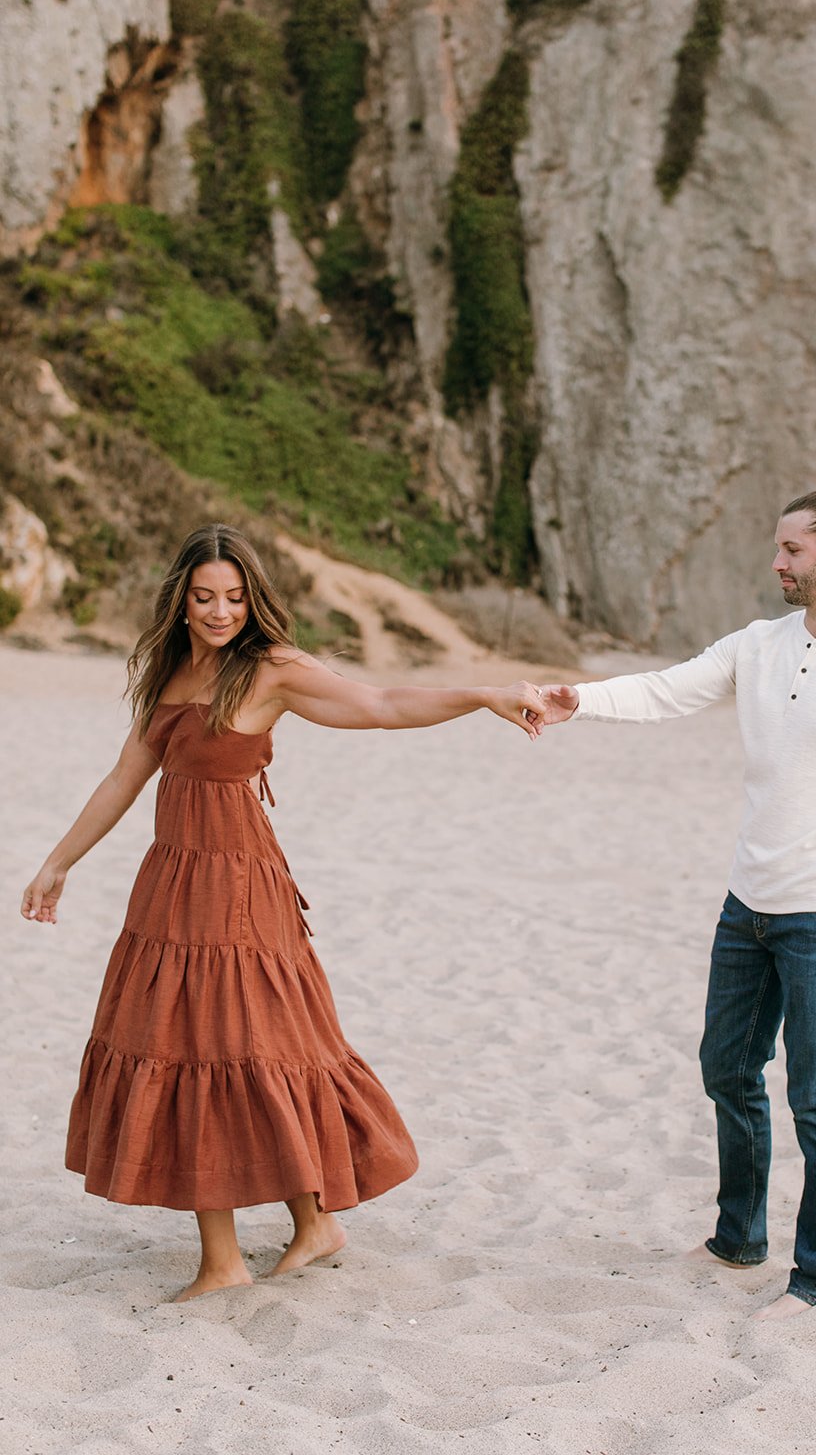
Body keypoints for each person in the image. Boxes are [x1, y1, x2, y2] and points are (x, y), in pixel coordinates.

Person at [21, 522, 546, 1302]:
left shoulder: (270, 670)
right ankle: (313, 1225)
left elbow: (380, 703)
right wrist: (59, 861)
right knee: (240, 1042)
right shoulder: (168, 670)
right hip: (172, 880)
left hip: (236, 885)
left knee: (215, 1044)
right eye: (204, 597)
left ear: (252, 599)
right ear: (181, 600)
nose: (220, 611)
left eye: (234, 597)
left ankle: (227, 1261)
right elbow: (123, 778)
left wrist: (481, 695)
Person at [537, 473, 816, 1319]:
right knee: (725, 1069)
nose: (777, 563)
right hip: (746, 905)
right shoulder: (759, 645)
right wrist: (576, 700)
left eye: (791, 549)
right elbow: (665, 689)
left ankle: (814, 1278)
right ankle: (738, 1236)